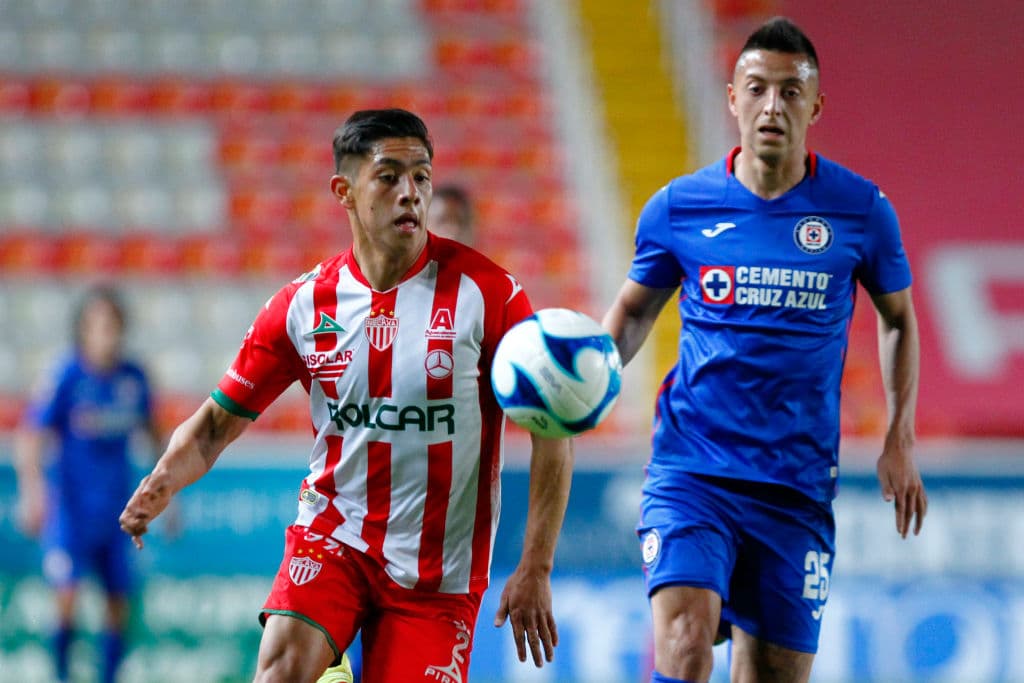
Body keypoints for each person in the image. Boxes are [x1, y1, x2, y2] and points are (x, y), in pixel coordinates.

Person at [119, 108, 573, 683]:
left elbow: (552, 434)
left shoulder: (491, 295)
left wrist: (536, 565)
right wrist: (161, 482)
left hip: (438, 576)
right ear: (345, 191)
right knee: (280, 669)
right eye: (389, 176)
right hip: (334, 537)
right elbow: (215, 424)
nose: (410, 193)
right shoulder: (303, 305)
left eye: (422, 177)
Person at [601, 17, 927, 683]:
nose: (772, 107)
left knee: (769, 672)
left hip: (795, 486)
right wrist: (586, 385)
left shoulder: (861, 211)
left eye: (789, 91)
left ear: (815, 104)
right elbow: (633, 311)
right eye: (756, 89)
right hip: (693, 469)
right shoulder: (680, 208)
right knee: (686, 638)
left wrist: (900, 432)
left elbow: (898, 319)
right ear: (732, 98)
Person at [14, 285, 162, 683]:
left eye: (112, 325)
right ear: (82, 330)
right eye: (97, 326)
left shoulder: (134, 378)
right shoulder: (65, 376)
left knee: (118, 605)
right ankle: (61, 676)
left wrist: (170, 493)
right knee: (66, 598)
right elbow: (29, 437)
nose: (105, 334)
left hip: (117, 513)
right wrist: (32, 494)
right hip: (71, 512)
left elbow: (156, 437)